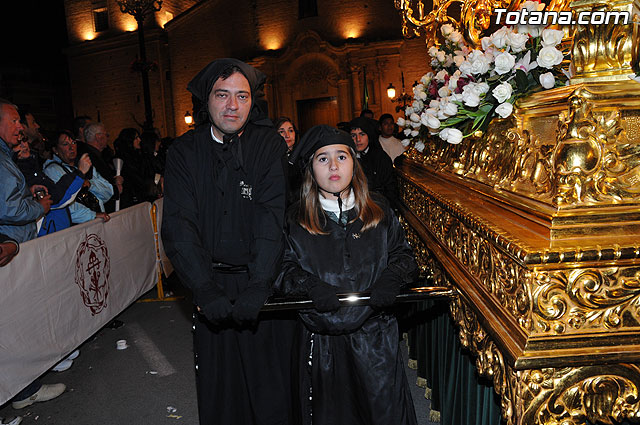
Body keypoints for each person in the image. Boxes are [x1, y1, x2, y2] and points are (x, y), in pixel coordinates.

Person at [161, 58, 293, 425]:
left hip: (260, 279)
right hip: (210, 282)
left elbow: (271, 216)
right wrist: (202, 287)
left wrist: (259, 284)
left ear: (252, 102)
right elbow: (179, 224)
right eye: (223, 95)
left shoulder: (268, 144)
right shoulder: (183, 152)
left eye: (242, 96)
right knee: (221, 389)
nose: (233, 106)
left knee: (271, 386)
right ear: (207, 100)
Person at [278, 124, 418, 425]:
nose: (333, 166)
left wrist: (392, 278)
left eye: (341, 157)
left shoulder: (379, 212)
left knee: (382, 413)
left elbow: (403, 256)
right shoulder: (295, 219)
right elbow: (282, 268)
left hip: (374, 340)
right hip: (321, 342)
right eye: (322, 159)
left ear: (354, 163)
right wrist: (309, 285)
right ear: (310, 169)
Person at [0, 98, 66, 412]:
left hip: (16, 245)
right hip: (9, 249)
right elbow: (8, 208)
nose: (21, 127)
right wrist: (36, 207)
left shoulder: (5, 156)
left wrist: (30, 193)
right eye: (14, 121)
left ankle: (27, 382)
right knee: (13, 323)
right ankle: (23, 389)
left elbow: (12, 195)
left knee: (21, 319)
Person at [43, 130, 112, 224]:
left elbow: (108, 193)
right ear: (55, 150)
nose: (72, 147)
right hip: (76, 228)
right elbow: (64, 205)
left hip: (97, 222)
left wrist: (90, 184)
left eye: (74, 142)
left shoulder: (83, 164)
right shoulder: (52, 170)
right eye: (65, 144)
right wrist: (92, 215)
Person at [349, 116, 399, 208]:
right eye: (353, 135)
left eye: (362, 134)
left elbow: (390, 191)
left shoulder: (381, 158)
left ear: (369, 136)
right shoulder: (346, 159)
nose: (358, 139)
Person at [79, 122, 123, 212]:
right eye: (106, 135)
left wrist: (113, 181)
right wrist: (115, 188)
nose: (108, 138)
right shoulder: (90, 157)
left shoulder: (94, 154)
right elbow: (94, 182)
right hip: (100, 207)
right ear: (98, 137)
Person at [275, 117, 302, 206]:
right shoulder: (271, 160)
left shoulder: (303, 157)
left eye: (290, 131)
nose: (287, 135)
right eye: (281, 132)